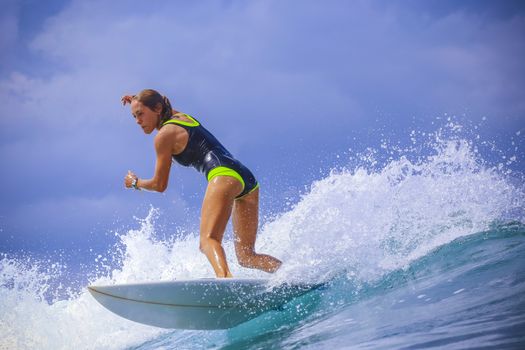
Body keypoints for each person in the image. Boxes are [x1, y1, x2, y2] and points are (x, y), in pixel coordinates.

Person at [121, 89, 282, 278]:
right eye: (134, 116)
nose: (138, 121)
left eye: (140, 114)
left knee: (208, 241)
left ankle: (226, 283)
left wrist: (135, 183)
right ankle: (289, 274)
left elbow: (160, 185)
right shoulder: (181, 117)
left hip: (223, 175)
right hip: (245, 178)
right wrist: (137, 101)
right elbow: (161, 107)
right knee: (247, 256)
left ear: (157, 108)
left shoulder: (163, 136)